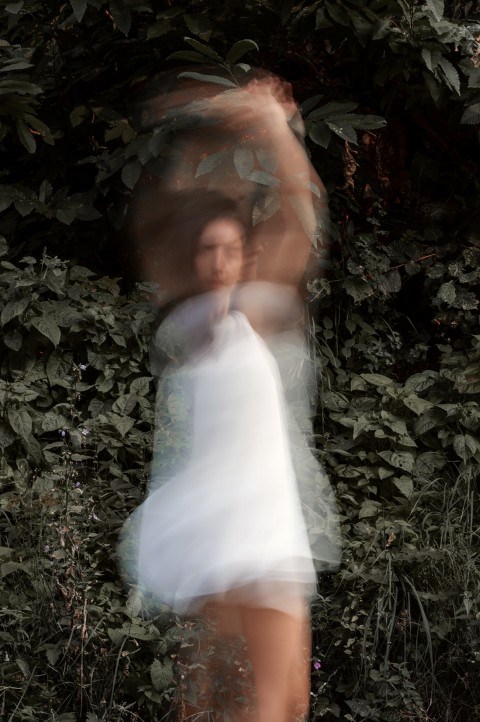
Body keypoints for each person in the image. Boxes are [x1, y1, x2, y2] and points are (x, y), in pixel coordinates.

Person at [119, 78, 341, 722]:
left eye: (230, 249)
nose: (219, 262)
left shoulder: (254, 310)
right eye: (208, 250)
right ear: (195, 258)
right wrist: (256, 121)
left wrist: (270, 126)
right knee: (269, 704)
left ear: (246, 256)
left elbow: (298, 216)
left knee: (254, 700)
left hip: (255, 527)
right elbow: (165, 224)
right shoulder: (191, 327)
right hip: (234, 535)